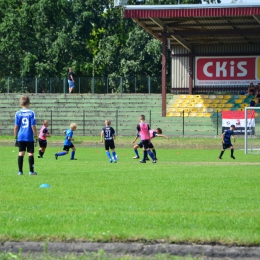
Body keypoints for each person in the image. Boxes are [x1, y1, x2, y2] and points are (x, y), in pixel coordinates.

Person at [14, 95, 38, 175]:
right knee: (30, 153)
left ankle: (20, 171)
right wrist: (35, 136)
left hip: (20, 136)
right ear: (28, 103)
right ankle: (31, 171)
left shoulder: (18, 113)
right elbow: (33, 126)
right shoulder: (31, 113)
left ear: (21, 103)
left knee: (21, 153)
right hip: (29, 136)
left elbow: (16, 126)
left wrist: (15, 137)